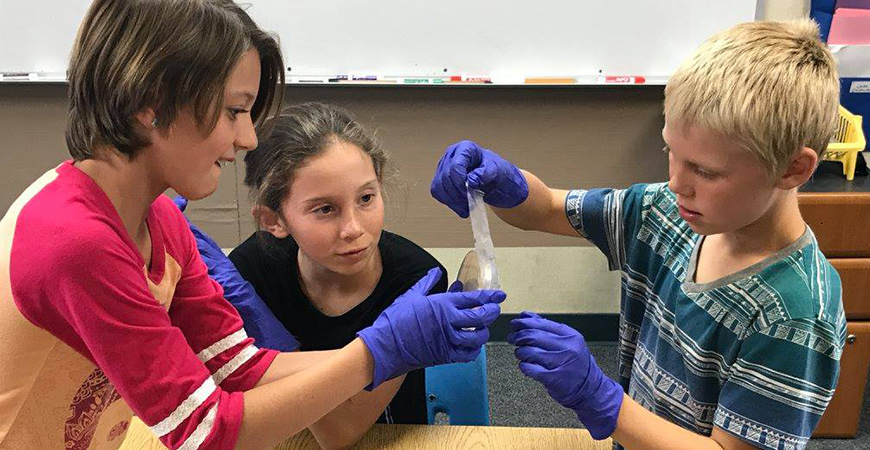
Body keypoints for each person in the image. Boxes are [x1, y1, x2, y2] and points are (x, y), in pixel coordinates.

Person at [0, 2, 504, 450]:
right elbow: (203, 432)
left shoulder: (156, 221)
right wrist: (378, 353)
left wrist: (399, 347)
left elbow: (241, 366)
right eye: (234, 111)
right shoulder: (76, 242)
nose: (245, 137)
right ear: (149, 104)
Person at [430, 19, 845, 450]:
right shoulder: (663, 212)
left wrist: (600, 398)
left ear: (792, 168)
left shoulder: (795, 316)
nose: (677, 183)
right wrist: (505, 184)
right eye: (671, 152)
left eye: (704, 170)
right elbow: (549, 209)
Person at [176, 102, 447, 447]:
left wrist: (275, 344)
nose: (353, 229)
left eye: (366, 198)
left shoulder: (416, 279)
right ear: (273, 220)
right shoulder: (251, 270)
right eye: (324, 209)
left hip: (385, 440)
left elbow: (341, 433)